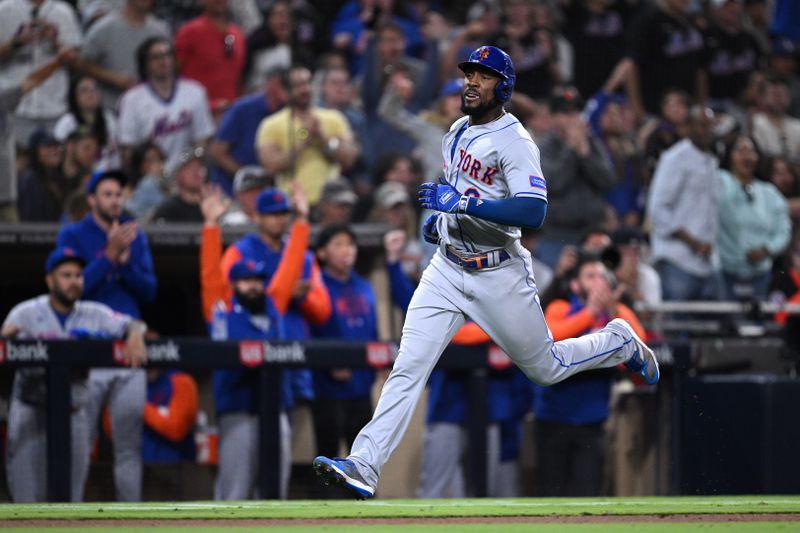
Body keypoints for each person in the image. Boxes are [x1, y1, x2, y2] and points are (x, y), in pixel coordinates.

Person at [312, 45, 658, 499]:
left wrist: (465, 206)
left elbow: (534, 211)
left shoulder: (515, 140)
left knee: (545, 368)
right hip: (447, 269)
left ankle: (616, 340)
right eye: (469, 73)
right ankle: (365, 465)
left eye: (484, 75)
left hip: (499, 273)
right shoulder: (455, 131)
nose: (472, 81)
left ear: (505, 86)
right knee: (408, 365)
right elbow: (458, 197)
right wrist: (442, 223)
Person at [1, 246, 147, 502]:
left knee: (71, 498)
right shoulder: (24, 313)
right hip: (31, 409)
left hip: (73, 412)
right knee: (26, 497)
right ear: (50, 280)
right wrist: (4, 341)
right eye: (65, 275)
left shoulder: (93, 313)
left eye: (78, 276)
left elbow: (132, 323)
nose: (73, 282)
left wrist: (135, 334)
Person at [200, 182, 309, 499]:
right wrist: (210, 226)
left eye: (256, 280)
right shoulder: (221, 309)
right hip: (238, 409)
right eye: (244, 280)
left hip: (276, 407)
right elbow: (209, 275)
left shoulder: (272, 302)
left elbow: (289, 267)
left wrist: (301, 221)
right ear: (233, 284)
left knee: (275, 492)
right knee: (234, 492)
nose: (251, 286)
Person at [56, 169, 157, 502]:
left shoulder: (134, 234)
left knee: (128, 447)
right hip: (87, 350)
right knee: (78, 444)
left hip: (129, 346)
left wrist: (126, 263)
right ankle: (67, 516)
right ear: (92, 199)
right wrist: (109, 256)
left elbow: (149, 291)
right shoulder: (73, 234)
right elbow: (70, 290)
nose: (115, 200)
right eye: (107, 194)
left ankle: (135, 519)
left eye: (119, 194)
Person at [535, 253, 646, 497]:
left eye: (602, 276)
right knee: (550, 494)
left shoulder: (616, 314)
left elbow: (641, 345)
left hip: (592, 421)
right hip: (553, 419)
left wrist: (613, 310)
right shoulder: (560, 307)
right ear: (575, 285)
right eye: (590, 276)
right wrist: (591, 312)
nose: (598, 282)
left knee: (588, 493)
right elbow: (551, 337)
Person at [309, 224, 377, 498]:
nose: (346, 250)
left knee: (362, 455)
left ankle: (367, 516)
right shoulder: (317, 285)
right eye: (337, 244)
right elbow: (310, 331)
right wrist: (328, 363)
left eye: (349, 244)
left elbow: (371, 329)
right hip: (328, 386)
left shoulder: (363, 285)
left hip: (361, 384)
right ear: (323, 252)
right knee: (326, 456)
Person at [536, 85, 616, 268]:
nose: (573, 118)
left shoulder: (590, 141)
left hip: (592, 234)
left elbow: (608, 181)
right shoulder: (543, 146)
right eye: (566, 113)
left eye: (576, 111)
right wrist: (572, 150)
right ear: (553, 117)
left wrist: (586, 155)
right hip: (556, 236)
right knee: (556, 287)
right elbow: (553, 183)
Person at [647, 106, 722, 301]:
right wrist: (693, 241)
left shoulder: (711, 161)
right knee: (675, 326)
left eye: (711, 126)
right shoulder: (674, 158)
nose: (708, 131)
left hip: (707, 263)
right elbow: (658, 208)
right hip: (677, 259)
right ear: (687, 127)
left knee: (712, 328)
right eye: (702, 125)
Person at [255, 65, 359, 204]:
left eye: (307, 83)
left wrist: (321, 138)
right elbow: (271, 166)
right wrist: (304, 138)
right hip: (292, 202)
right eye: (297, 85)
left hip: (330, 202)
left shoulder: (333, 118)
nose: (304, 89)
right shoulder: (271, 124)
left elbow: (349, 159)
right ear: (286, 91)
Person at [117, 37, 215, 171]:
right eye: (155, 57)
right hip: (150, 176)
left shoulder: (195, 92)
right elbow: (128, 148)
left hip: (186, 173)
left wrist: (185, 167)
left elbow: (202, 140)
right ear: (145, 64)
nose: (163, 61)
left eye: (167, 55)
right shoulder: (131, 99)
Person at [717, 135, 791, 300]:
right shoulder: (719, 181)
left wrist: (767, 249)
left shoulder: (769, 193)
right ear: (730, 156)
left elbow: (783, 230)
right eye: (740, 151)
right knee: (726, 323)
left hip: (760, 274)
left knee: (757, 323)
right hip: (724, 271)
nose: (746, 156)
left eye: (751, 151)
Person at [0, 0, 82, 141]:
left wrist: (55, 41)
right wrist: (17, 42)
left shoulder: (63, 12)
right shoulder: (4, 9)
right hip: (14, 107)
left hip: (54, 106)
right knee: (14, 160)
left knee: (54, 158)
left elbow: (77, 65)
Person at [209, 68, 288, 196]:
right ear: (271, 84)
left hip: (266, 192)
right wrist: (246, 176)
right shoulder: (243, 108)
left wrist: (304, 135)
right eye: (284, 84)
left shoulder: (288, 114)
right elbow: (217, 151)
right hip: (230, 191)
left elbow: (301, 134)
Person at [78, 0, 170, 109]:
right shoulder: (103, 28)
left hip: (151, 108)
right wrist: (113, 78)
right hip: (112, 109)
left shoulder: (160, 30)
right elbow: (82, 64)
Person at [174, 0, 246, 115]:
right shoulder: (189, 32)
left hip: (230, 113)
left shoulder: (236, 34)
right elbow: (174, 73)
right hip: (197, 114)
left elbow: (238, 78)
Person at [53, 75, 119, 170]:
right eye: (84, 90)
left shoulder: (109, 119)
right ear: (75, 97)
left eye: (94, 89)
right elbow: (61, 157)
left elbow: (115, 155)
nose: (90, 93)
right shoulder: (66, 123)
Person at [142, 369, 199, 464]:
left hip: (175, 468)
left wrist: (140, 407)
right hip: (137, 466)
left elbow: (176, 429)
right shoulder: (131, 383)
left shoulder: (180, 381)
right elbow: (113, 429)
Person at [150, 146, 207, 223]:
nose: (196, 172)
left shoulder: (214, 205)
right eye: (189, 168)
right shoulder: (168, 210)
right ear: (177, 176)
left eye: (198, 166)